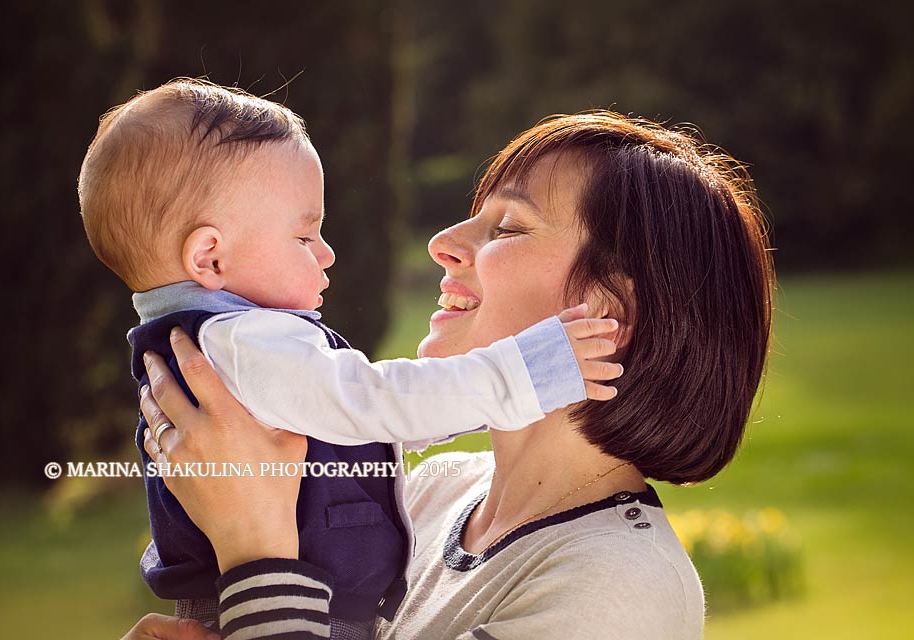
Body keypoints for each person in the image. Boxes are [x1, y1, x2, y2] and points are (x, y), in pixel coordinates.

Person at [124, 110, 774, 639]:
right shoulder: (431, 494)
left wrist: (253, 549)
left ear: (607, 316)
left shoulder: (618, 590)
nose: (442, 242)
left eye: (508, 226)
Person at [78, 80, 625, 631]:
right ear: (210, 258)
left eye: (507, 228)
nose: (327, 254)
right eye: (304, 237)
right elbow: (376, 402)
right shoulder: (243, 344)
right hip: (295, 606)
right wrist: (527, 372)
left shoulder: (217, 344)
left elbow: (365, 421)